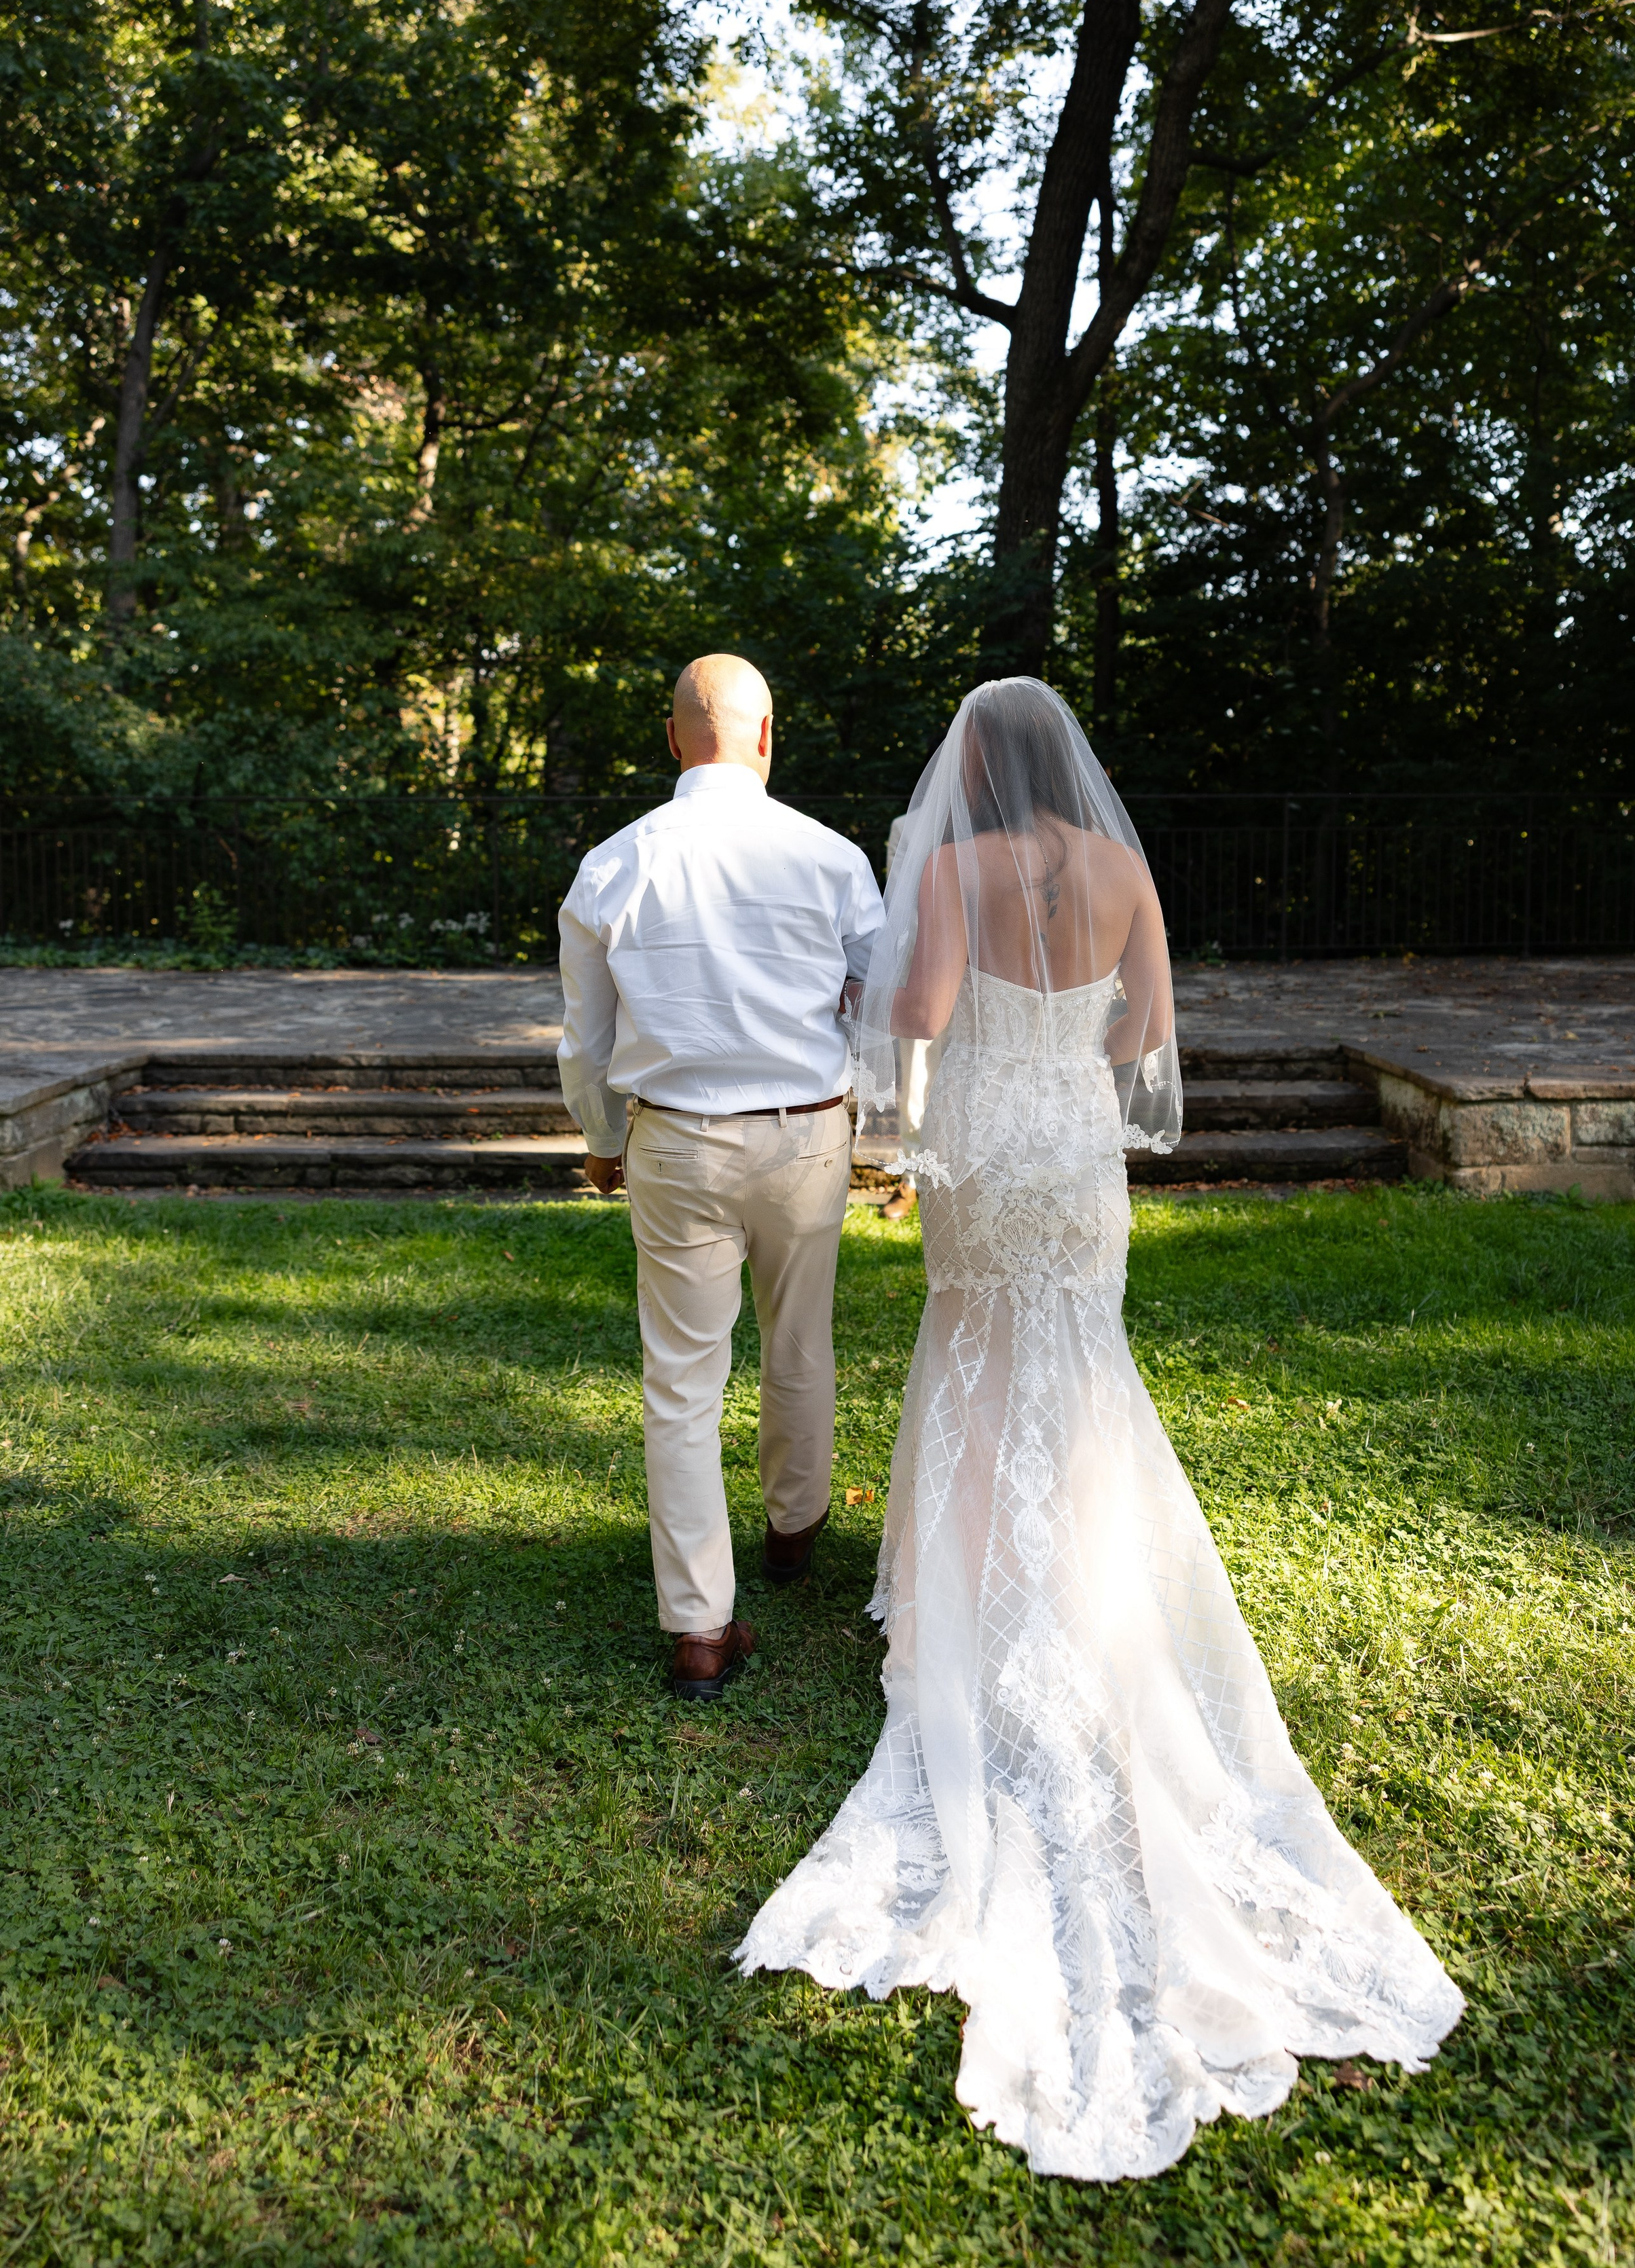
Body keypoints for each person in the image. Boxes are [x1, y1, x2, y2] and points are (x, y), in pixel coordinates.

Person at [737, 678, 1462, 2178]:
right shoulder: (1124, 868)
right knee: (1080, 1369)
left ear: (969, 772)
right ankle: (1093, 1579)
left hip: (984, 1147)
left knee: (976, 1362)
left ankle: (970, 1588)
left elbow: (922, 1017)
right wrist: (1072, 1029)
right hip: (1072, 1139)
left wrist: (879, 1030)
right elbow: (1148, 1023)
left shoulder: (949, 870)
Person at [556, 654, 885, 1702]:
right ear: (767, 733)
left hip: (677, 1141)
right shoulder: (830, 857)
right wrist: (871, 1122)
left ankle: (699, 1624)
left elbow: (583, 1038)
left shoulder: (616, 861)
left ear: (671, 740)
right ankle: (793, 1531)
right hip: (803, 1135)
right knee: (801, 1338)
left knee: (682, 1380)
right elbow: (874, 1007)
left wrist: (602, 1136)